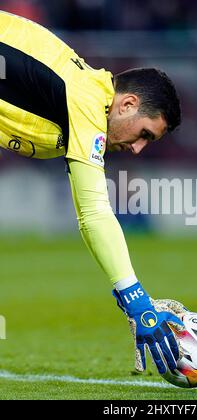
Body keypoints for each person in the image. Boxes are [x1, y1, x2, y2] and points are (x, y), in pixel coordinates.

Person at [0, 11, 185, 375]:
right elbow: (94, 212)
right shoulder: (86, 96)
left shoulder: (80, 97)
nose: (137, 149)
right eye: (145, 134)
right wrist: (136, 301)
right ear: (128, 104)